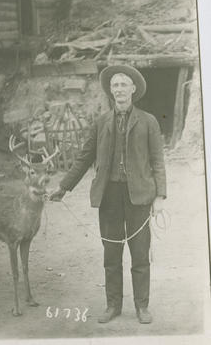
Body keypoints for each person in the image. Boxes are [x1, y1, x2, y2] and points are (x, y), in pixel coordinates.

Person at [50, 65, 166, 324]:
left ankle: (141, 306)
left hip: (140, 197)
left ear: (133, 90)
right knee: (111, 255)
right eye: (115, 85)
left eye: (124, 84)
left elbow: (158, 161)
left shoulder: (148, 121)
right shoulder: (101, 122)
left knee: (139, 254)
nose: (119, 89)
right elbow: (84, 157)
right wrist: (64, 187)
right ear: (110, 91)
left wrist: (159, 197)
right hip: (109, 197)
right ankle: (113, 305)